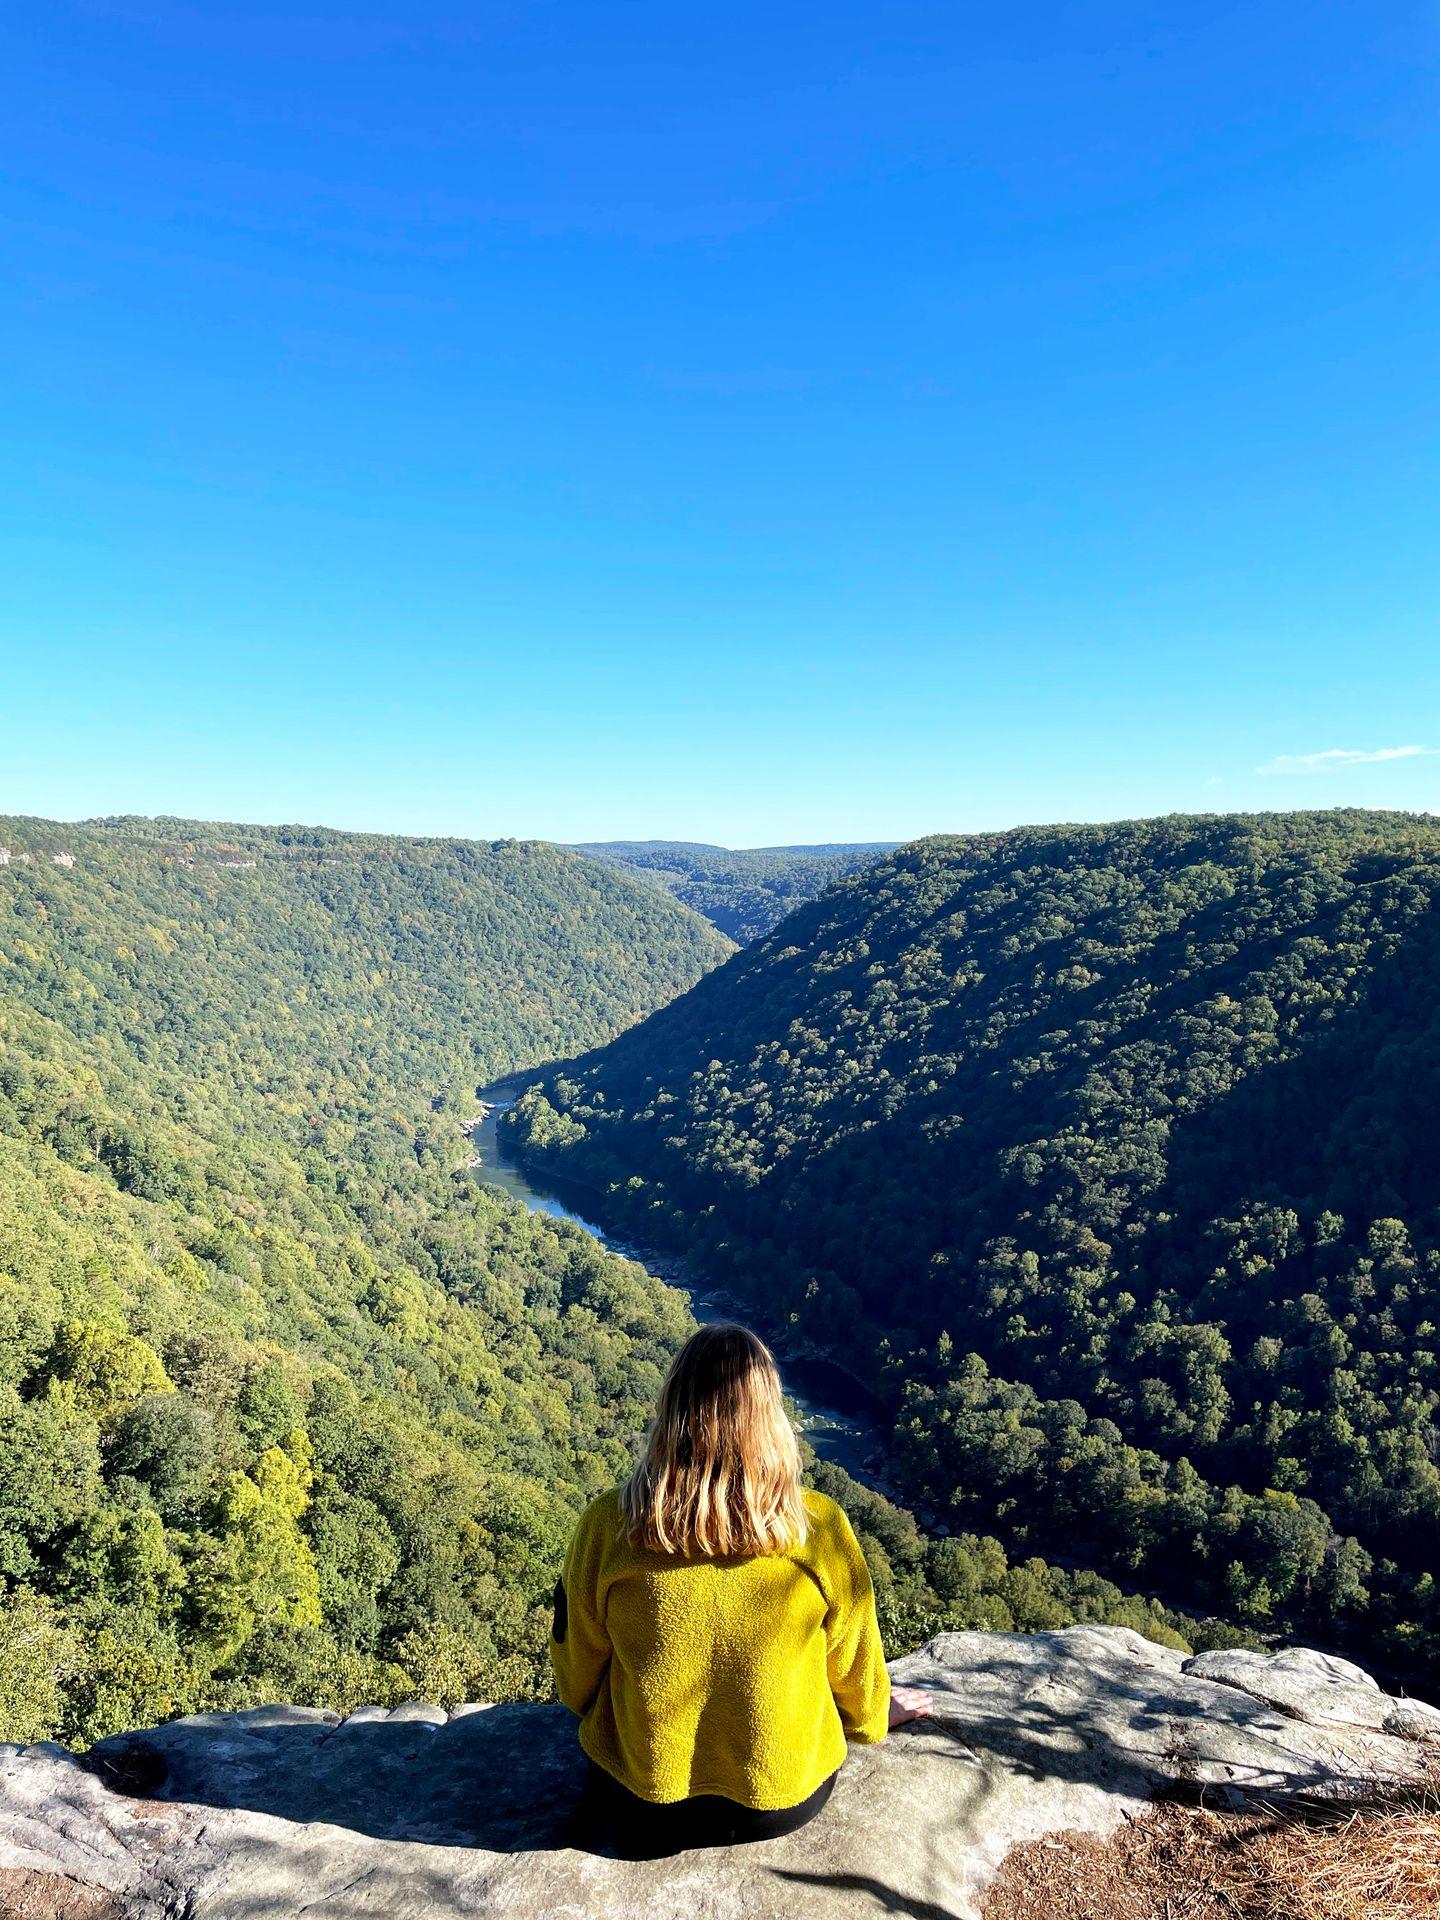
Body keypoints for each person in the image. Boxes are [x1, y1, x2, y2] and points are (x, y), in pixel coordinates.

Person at [551, 1322, 931, 1856]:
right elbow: (854, 1666)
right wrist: (875, 1715)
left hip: (642, 1792)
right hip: (782, 1801)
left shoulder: (608, 1527)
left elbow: (576, 1679)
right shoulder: (819, 1529)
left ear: (672, 1413)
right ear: (770, 1420)